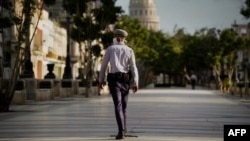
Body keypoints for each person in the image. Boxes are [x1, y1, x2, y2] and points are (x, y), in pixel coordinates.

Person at [98, 29, 139, 140]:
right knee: (123, 107)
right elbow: (133, 67)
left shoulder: (110, 49)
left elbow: (103, 66)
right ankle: (123, 129)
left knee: (118, 106)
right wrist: (136, 82)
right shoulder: (129, 50)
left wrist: (101, 80)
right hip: (126, 81)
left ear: (117, 37)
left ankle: (121, 130)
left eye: (114, 36)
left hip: (114, 81)